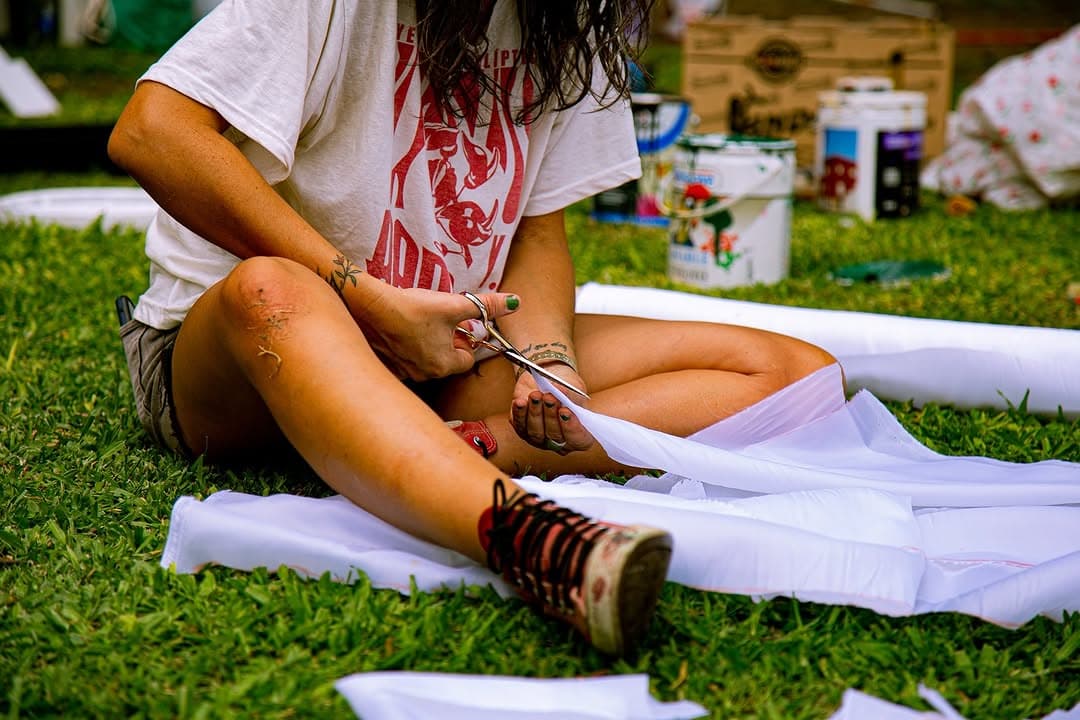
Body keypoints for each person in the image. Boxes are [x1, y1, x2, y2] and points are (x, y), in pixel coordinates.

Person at [109, 0, 837, 656]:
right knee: (271, 287)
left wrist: (551, 365)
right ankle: (536, 542)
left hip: (444, 354)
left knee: (797, 375)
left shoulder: (569, 18)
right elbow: (152, 132)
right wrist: (368, 302)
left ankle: (456, 452)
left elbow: (538, 233)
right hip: (240, 360)